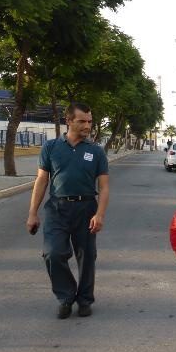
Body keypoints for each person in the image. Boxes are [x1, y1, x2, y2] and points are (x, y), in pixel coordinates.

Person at [26, 103, 109, 319]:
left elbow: (104, 187)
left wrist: (99, 214)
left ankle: (84, 300)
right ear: (69, 121)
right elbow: (41, 180)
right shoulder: (51, 147)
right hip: (57, 208)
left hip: (86, 208)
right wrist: (32, 213)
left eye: (90, 121)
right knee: (52, 253)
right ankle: (66, 296)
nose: (87, 125)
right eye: (82, 121)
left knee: (87, 256)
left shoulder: (96, 152)